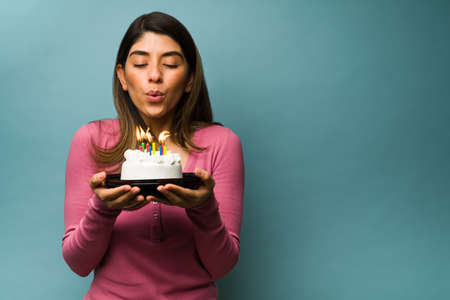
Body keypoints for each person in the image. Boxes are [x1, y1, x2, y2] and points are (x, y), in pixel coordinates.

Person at [62, 12, 244, 299]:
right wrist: (103, 208)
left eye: (170, 64)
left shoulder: (222, 143)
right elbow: (78, 263)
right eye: (140, 63)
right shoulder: (91, 140)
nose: (155, 75)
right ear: (122, 76)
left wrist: (203, 207)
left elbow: (221, 265)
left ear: (190, 79)